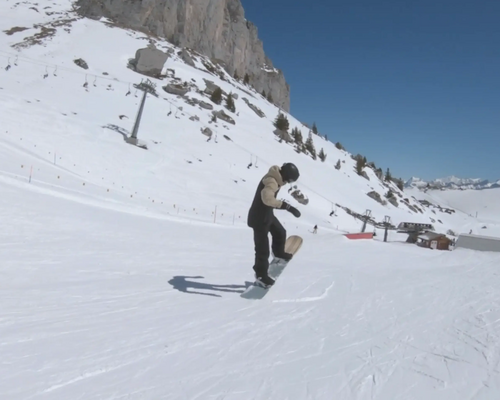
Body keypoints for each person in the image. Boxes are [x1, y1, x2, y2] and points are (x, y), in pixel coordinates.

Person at [247, 163, 301, 287]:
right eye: (289, 180)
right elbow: (267, 199)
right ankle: (261, 275)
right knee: (262, 250)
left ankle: (278, 253)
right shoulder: (271, 181)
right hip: (259, 219)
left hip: (267, 215)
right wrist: (287, 207)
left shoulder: (276, 178)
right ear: (286, 176)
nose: (287, 182)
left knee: (280, 232)